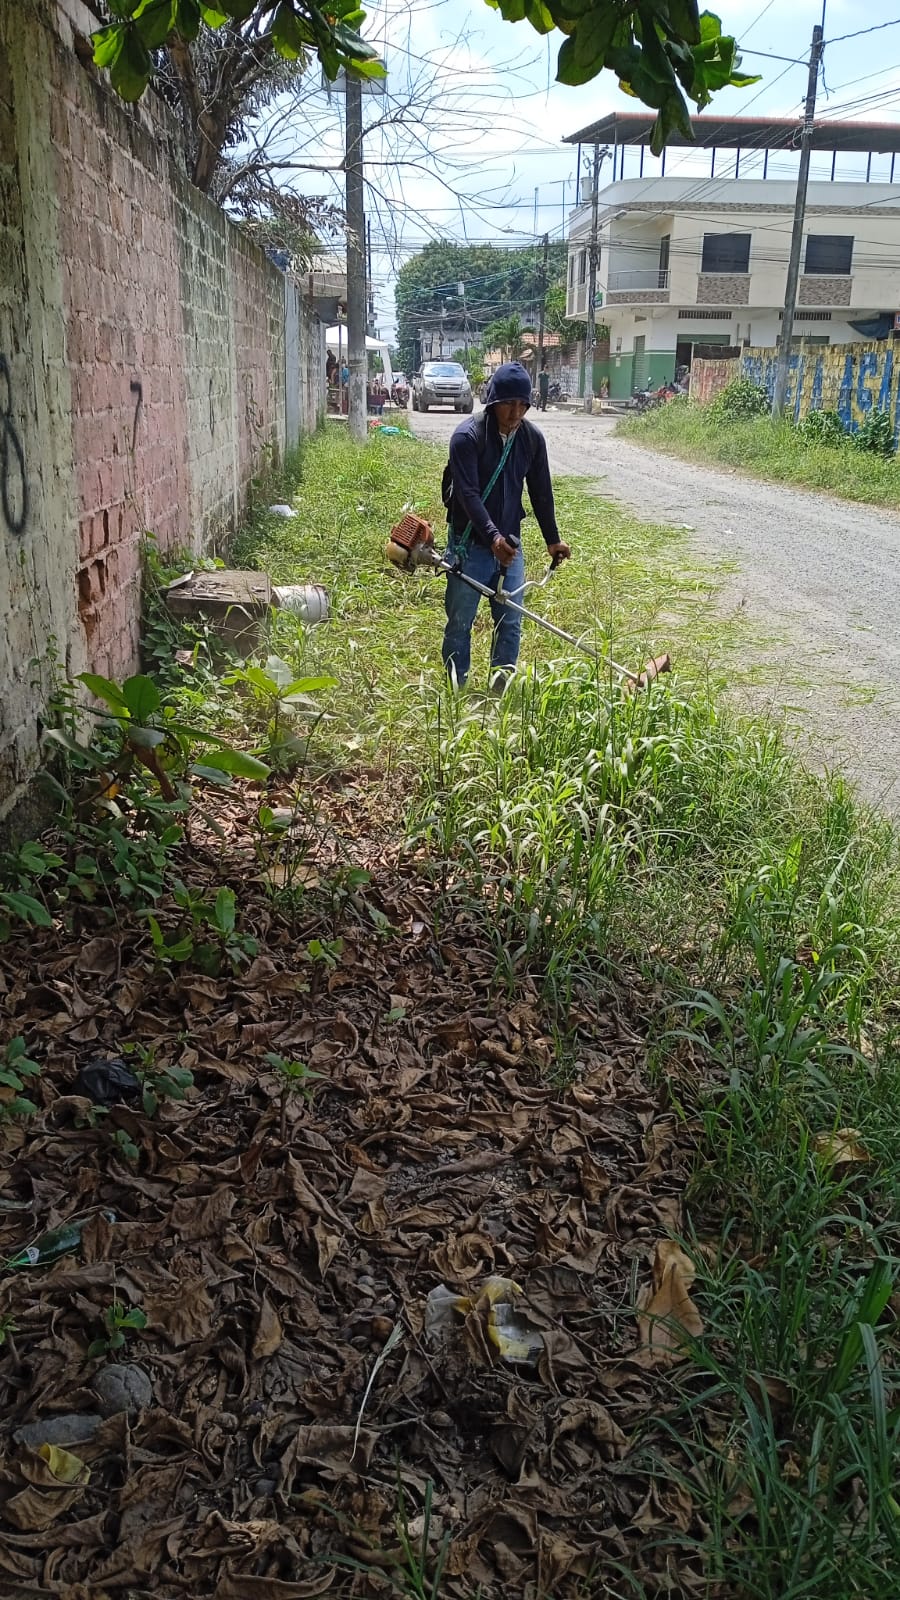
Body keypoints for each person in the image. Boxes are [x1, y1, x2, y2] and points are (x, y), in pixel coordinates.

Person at [441, 360, 570, 689]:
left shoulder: (531, 439)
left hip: (510, 549)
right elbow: (468, 494)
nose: (515, 413)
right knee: (460, 623)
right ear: (493, 402)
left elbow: (541, 491)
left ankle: (500, 690)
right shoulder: (467, 437)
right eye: (508, 404)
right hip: (469, 547)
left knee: (510, 622)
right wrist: (492, 537)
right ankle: (456, 690)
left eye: (522, 404)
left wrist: (552, 539)